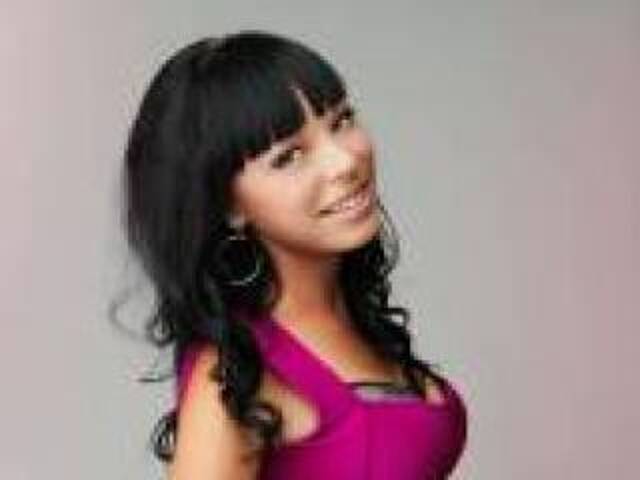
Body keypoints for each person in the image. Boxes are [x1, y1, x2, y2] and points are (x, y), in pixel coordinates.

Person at [116, 29, 467, 479]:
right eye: (289, 157)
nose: (344, 162)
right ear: (228, 206)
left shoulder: (355, 319)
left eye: (341, 120)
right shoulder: (236, 376)